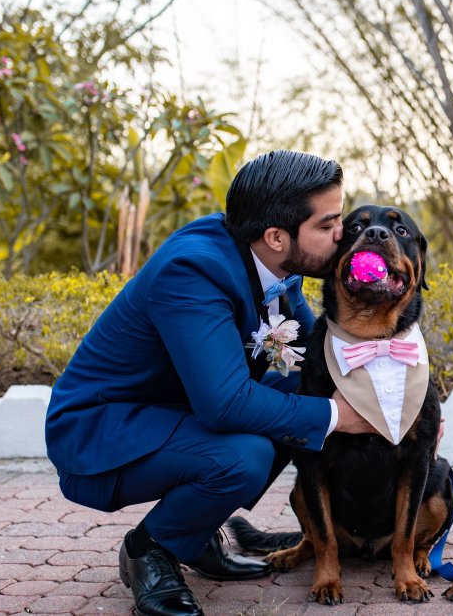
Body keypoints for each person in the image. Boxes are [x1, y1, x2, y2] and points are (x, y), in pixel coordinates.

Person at [45, 150, 378, 616]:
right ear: (277, 236)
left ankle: (193, 533)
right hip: (101, 430)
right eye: (327, 225)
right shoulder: (194, 270)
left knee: (298, 402)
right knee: (248, 453)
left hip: (174, 413)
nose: (343, 235)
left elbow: (321, 357)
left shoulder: (276, 265)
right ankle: (149, 550)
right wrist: (338, 416)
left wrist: (402, 410)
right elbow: (224, 404)